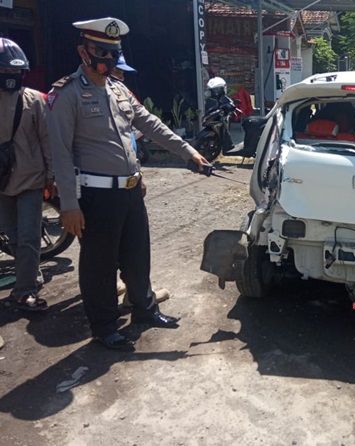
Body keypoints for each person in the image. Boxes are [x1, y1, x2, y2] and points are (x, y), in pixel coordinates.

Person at [47, 18, 209, 350]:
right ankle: (105, 327)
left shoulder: (118, 89)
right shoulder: (67, 94)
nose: (107, 59)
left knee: (137, 255)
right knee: (99, 264)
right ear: (84, 51)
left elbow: (152, 125)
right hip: (95, 196)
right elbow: (59, 154)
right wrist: (68, 204)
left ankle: (144, 309)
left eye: (113, 53)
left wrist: (189, 152)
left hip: (131, 190)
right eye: (102, 52)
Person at [109, 55, 170, 309]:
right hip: (100, 189)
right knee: (108, 246)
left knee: (133, 247)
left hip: (129, 181)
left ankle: (134, 295)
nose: (121, 78)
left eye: (122, 73)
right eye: (117, 72)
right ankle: (113, 295)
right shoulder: (77, 96)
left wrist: (138, 176)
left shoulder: (121, 95)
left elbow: (131, 143)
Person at [0, 38, 52, 312]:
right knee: (14, 236)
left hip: (31, 179)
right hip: (2, 183)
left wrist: (51, 176)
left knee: (30, 236)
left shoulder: (34, 100)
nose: (11, 76)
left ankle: (24, 291)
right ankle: (30, 274)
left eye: (15, 71)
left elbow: (48, 140)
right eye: (5, 71)